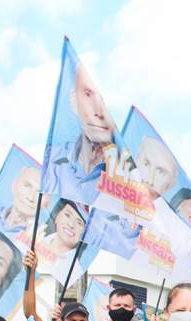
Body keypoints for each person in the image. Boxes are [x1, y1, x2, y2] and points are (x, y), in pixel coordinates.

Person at [43, 63, 116, 204]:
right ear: (74, 100)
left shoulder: (126, 179)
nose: (98, 110)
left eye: (103, 102)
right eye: (88, 95)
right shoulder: (53, 158)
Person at [36, 199, 87, 282]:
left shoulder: (74, 271)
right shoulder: (33, 240)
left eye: (79, 223)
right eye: (67, 215)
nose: (71, 225)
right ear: (56, 216)